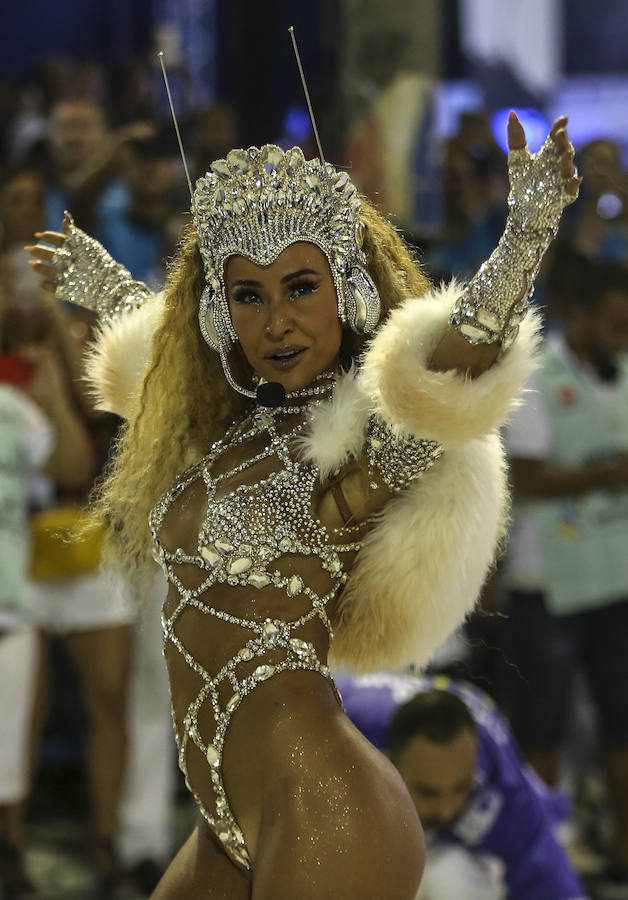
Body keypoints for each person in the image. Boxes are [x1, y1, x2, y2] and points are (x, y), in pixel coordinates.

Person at [27, 112, 578, 898]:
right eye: (247, 295)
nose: (275, 320)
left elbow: (454, 363)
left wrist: (526, 233)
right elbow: (164, 368)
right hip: (225, 814)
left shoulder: (359, 444)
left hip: (325, 802)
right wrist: (109, 286)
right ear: (218, 312)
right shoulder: (222, 431)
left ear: (349, 291)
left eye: (300, 287)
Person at [503, 256, 628, 896]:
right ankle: (544, 862)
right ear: (578, 315)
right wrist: (613, 473)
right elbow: (527, 477)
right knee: (543, 725)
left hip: (615, 573)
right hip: (544, 578)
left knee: (622, 720)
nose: (621, 338)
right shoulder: (537, 377)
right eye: (612, 326)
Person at [339, 672, 587, 900]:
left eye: (461, 787)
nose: (448, 810)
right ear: (388, 762)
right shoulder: (339, 735)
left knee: (451, 879)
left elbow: (549, 879)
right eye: (428, 792)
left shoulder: (501, 782)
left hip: (456, 857)